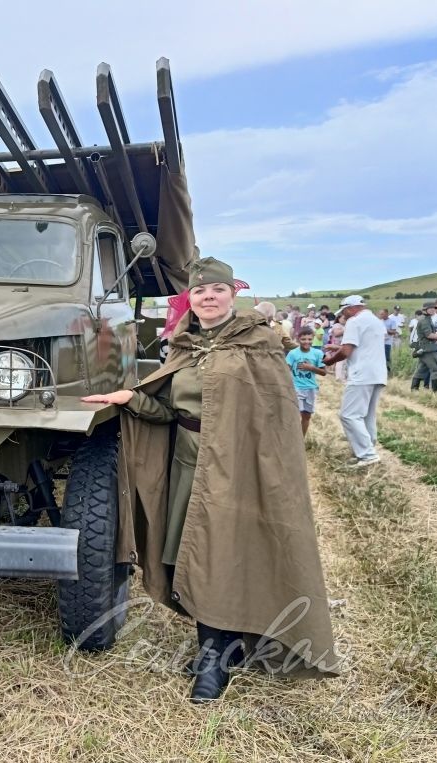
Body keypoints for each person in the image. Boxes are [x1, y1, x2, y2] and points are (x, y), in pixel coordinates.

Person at [82, 256, 339, 702]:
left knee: (221, 554)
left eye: (217, 290)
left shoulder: (257, 345)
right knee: (192, 552)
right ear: (191, 300)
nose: (208, 297)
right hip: (188, 465)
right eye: (199, 292)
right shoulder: (185, 346)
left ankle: (213, 660)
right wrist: (131, 398)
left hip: (238, 469)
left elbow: (272, 419)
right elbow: (170, 411)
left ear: (232, 294)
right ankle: (226, 645)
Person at [323, 295, 388, 468]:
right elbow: (365, 347)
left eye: (344, 312)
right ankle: (368, 449)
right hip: (378, 373)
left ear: (351, 308)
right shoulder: (375, 321)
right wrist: (337, 348)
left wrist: (328, 361)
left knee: (349, 415)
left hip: (361, 373)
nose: (344, 316)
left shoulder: (355, 321)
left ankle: (367, 454)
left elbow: (346, 351)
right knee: (367, 415)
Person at [287, 326, 327, 436]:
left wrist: (311, 368)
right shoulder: (293, 353)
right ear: (298, 339)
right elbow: (286, 369)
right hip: (296, 387)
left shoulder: (318, 354)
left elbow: (324, 372)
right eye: (303, 339)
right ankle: (292, 439)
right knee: (295, 414)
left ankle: (301, 439)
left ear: (313, 338)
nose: (307, 342)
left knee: (306, 416)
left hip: (311, 388)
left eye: (309, 339)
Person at [411, 303, 437, 392]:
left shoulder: (426, 319)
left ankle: (414, 389)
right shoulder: (425, 320)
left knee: (421, 369)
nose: (433, 310)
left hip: (424, 348)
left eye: (434, 308)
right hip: (429, 349)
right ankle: (435, 393)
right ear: (425, 309)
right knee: (436, 370)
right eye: (430, 308)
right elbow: (429, 335)